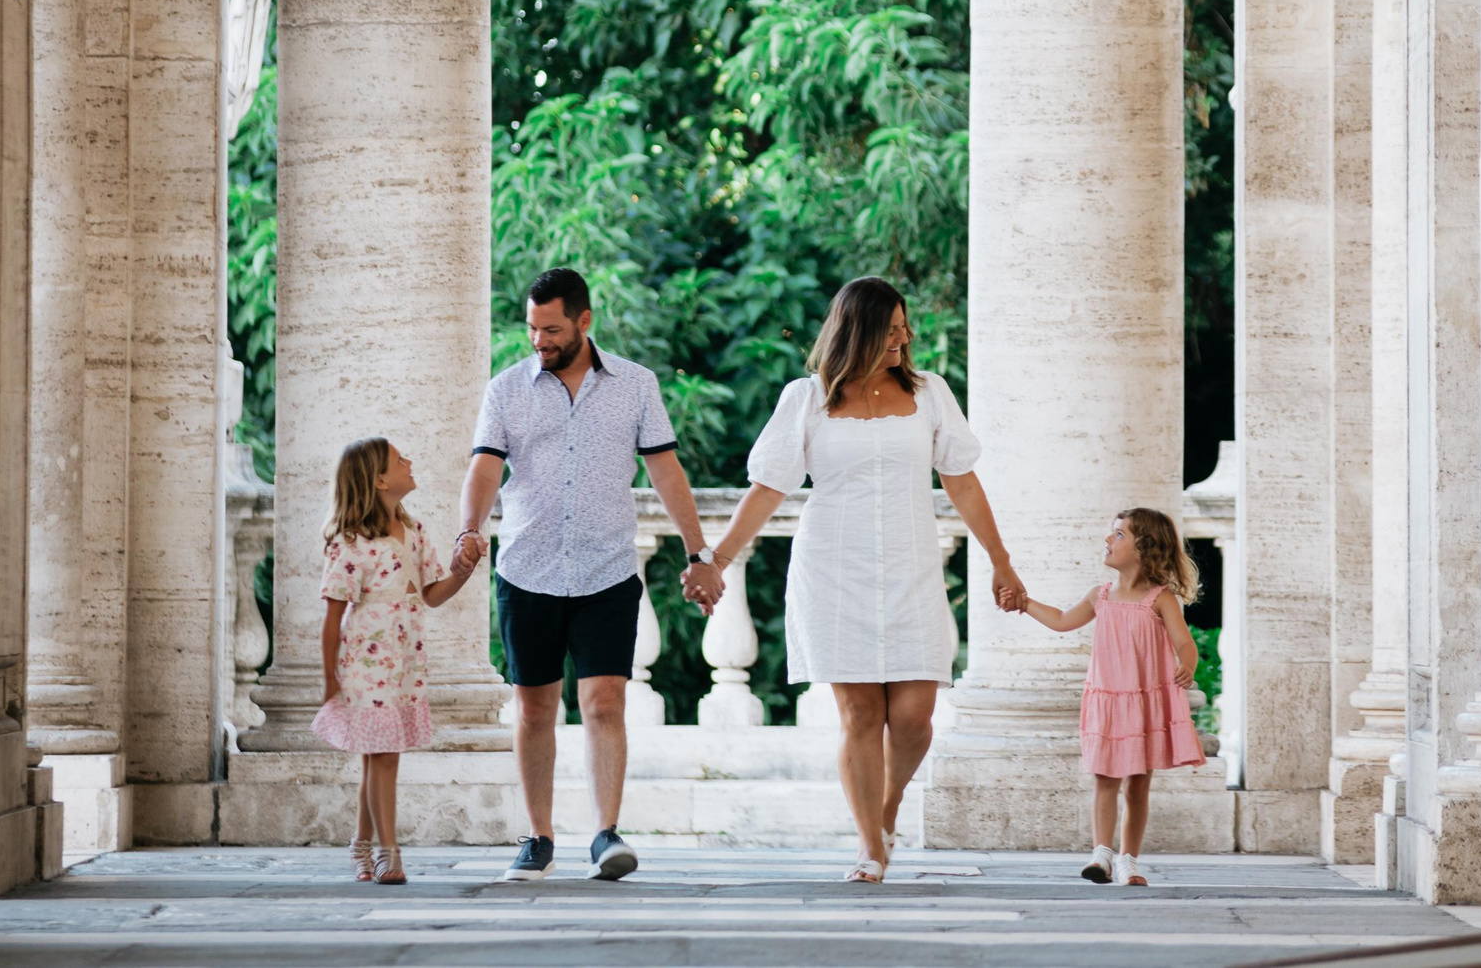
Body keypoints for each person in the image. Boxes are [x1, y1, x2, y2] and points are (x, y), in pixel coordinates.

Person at [701, 277, 1026, 883]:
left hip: (911, 566)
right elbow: (769, 488)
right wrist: (717, 560)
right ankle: (869, 846)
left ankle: (889, 803)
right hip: (832, 567)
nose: (904, 338)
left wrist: (1000, 560)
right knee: (858, 715)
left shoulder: (930, 394)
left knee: (914, 717)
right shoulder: (807, 398)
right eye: (892, 328)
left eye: (906, 327)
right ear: (859, 331)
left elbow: (961, 481)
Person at [457, 268, 721, 882]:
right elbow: (483, 469)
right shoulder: (505, 391)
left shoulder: (636, 385)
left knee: (605, 702)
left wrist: (699, 552)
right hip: (527, 568)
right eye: (531, 329)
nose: (538, 341)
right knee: (534, 709)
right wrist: (469, 527)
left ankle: (606, 834)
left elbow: (665, 472)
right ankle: (539, 836)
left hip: (608, 568)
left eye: (551, 329)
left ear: (584, 321)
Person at [313, 437, 484, 886]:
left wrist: (461, 573)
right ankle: (389, 852)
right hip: (366, 664)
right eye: (398, 459)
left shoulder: (415, 532)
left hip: (404, 662)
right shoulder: (350, 544)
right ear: (379, 480)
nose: (410, 461)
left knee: (379, 757)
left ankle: (361, 845)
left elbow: (430, 595)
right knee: (383, 754)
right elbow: (332, 619)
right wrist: (330, 679)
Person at [1015, 506, 1204, 888]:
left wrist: (1188, 664)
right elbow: (1062, 620)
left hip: (1142, 701)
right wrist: (1024, 602)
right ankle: (1100, 854)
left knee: (1137, 784)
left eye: (1118, 534)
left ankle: (1128, 861)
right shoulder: (1099, 595)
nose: (1108, 539)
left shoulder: (1160, 599)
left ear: (1145, 547)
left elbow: (1184, 642)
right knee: (1104, 779)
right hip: (1108, 700)